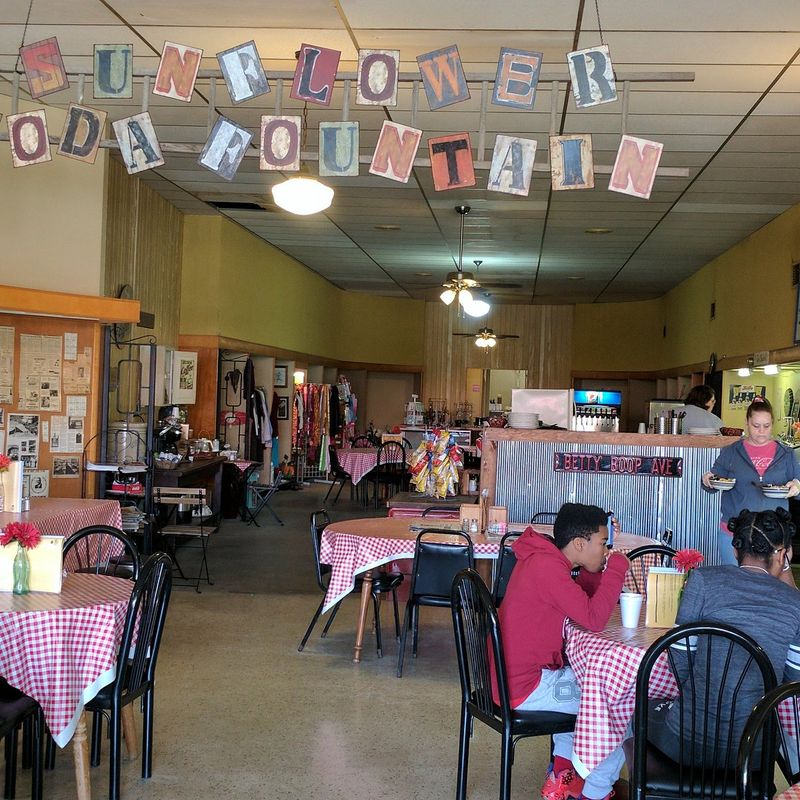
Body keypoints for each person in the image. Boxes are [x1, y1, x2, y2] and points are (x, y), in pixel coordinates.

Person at [647, 508, 800, 769]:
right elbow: (792, 681)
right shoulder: (795, 603)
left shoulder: (703, 580)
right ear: (783, 555)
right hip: (752, 753)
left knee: (635, 708)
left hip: (683, 742)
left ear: (736, 550)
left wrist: (702, 692)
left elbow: (678, 654)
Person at [495, 503, 629, 800]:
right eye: (603, 543)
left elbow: (583, 602)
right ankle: (596, 792)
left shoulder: (544, 559)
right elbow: (594, 620)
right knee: (619, 699)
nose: (607, 550)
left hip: (515, 677)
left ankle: (562, 776)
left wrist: (600, 569)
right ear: (580, 544)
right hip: (526, 687)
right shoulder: (546, 567)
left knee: (586, 687)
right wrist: (617, 568)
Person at [702, 397, 800, 565]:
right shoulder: (731, 452)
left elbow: (798, 485)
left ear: (772, 424)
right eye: (756, 426)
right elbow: (713, 482)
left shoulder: (786, 454)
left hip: (774, 536)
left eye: (766, 426)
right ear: (747, 422)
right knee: (734, 586)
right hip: (735, 533)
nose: (761, 431)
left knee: (771, 589)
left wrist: (797, 485)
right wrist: (708, 480)